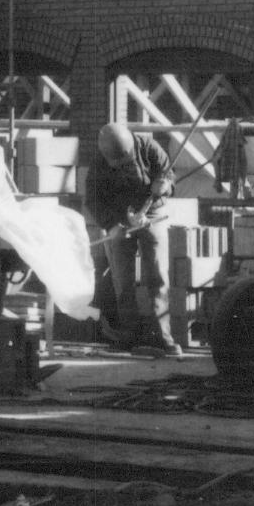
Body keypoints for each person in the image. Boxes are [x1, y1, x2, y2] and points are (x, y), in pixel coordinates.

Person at [83, 120, 175, 353]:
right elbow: (92, 200)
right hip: (119, 220)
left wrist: (164, 189)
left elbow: (169, 179)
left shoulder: (150, 148)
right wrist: (111, 225)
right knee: (122, 280)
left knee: (157, 275)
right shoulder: (99, 164)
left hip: (151, 213)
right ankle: (128, 335)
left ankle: (161, 336)